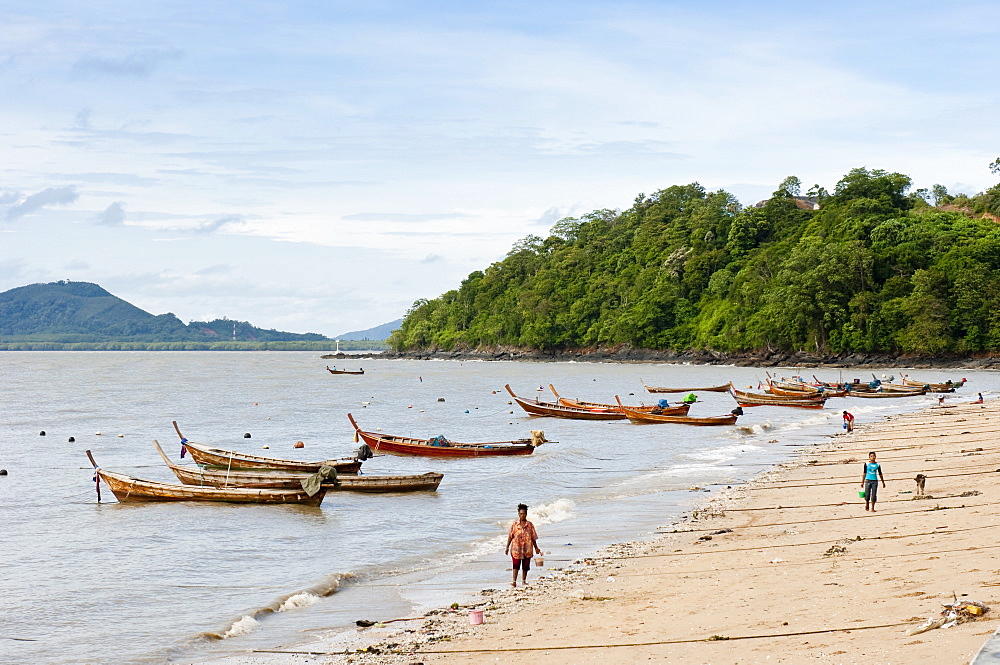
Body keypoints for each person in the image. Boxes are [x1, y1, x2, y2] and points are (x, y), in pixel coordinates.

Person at [505, 503, 542, 588]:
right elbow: (510, 536)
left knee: (525, 565)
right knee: (516, 565)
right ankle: (514, 581)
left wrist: (536, 548)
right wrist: (507, 547)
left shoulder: (530, 525)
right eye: (521, 514)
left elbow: (533, 538)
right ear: (518, 514)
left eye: (524, 514)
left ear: (526, 514)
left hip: (527, 548)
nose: (522, 515)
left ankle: (524, 581)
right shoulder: (514, 525)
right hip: (516, 548)